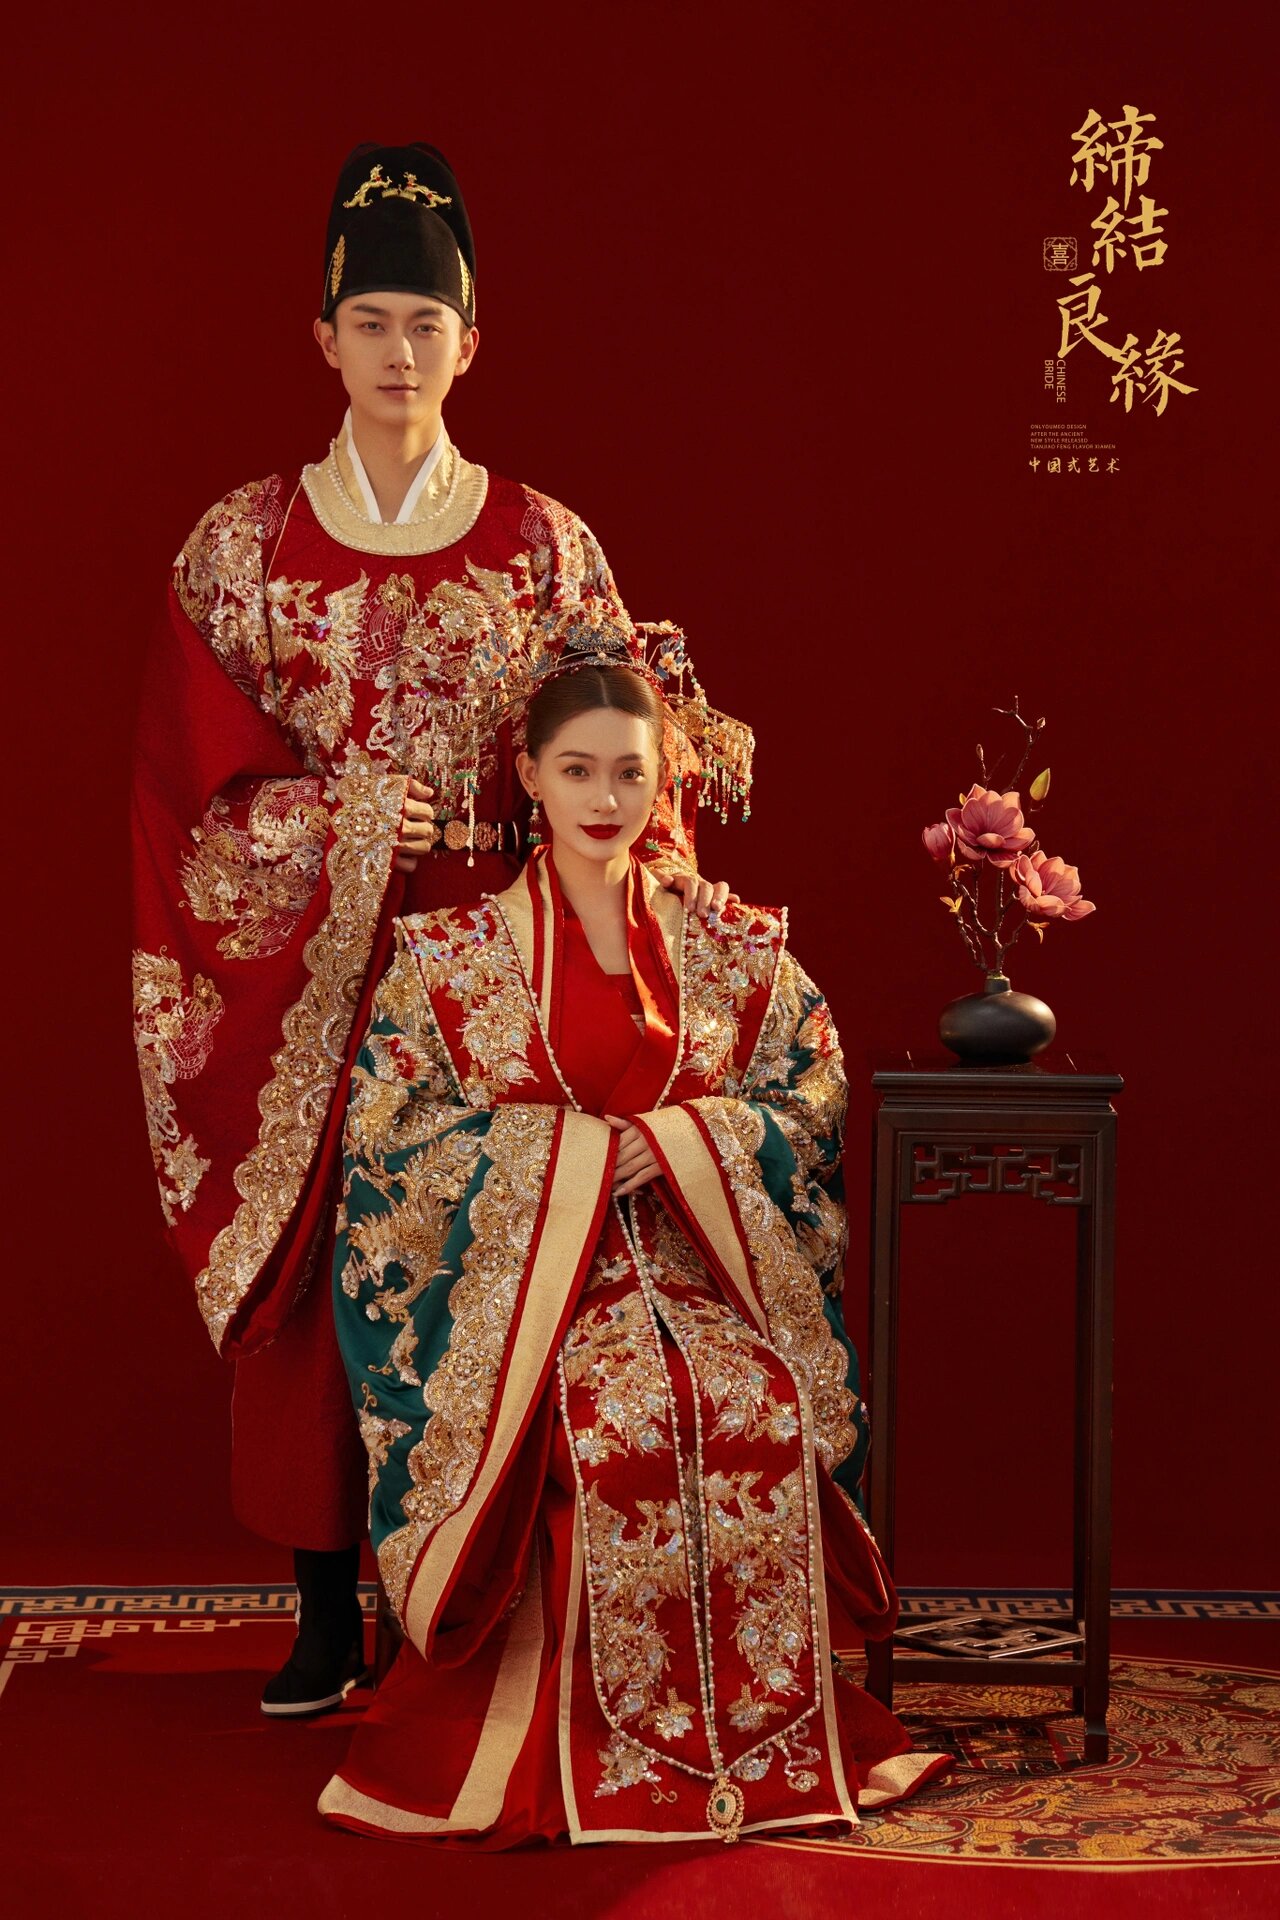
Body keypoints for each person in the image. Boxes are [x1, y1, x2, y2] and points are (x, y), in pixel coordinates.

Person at [130, 143, 746, 1717]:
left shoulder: (545, 545)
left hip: (499, 956)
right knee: (327, 1275)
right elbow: (190, 795)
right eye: (371, 323)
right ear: (323, 338)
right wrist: (341, 822)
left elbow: (629, 747)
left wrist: (622, 914)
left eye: (427, 325)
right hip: (318, 974)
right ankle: (323, 1610)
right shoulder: (241, 546)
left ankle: (466, 1605)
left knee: (488, 1254)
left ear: (471, 344)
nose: (399, 353)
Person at [318, 645, 949, 1845]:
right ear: (528, 776)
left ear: (665, 779)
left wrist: (686, 1141)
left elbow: (808, 1094)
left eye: (628, 772)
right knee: (620, 1420)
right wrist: (567, 1161)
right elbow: (390, 1136)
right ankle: (565, 1743)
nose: (604, 799)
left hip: (702, 1269)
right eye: (576, 771)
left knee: (754, 1407)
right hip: (532, 1297)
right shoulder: (452, 960)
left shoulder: (732, 948)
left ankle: (757, 1736)